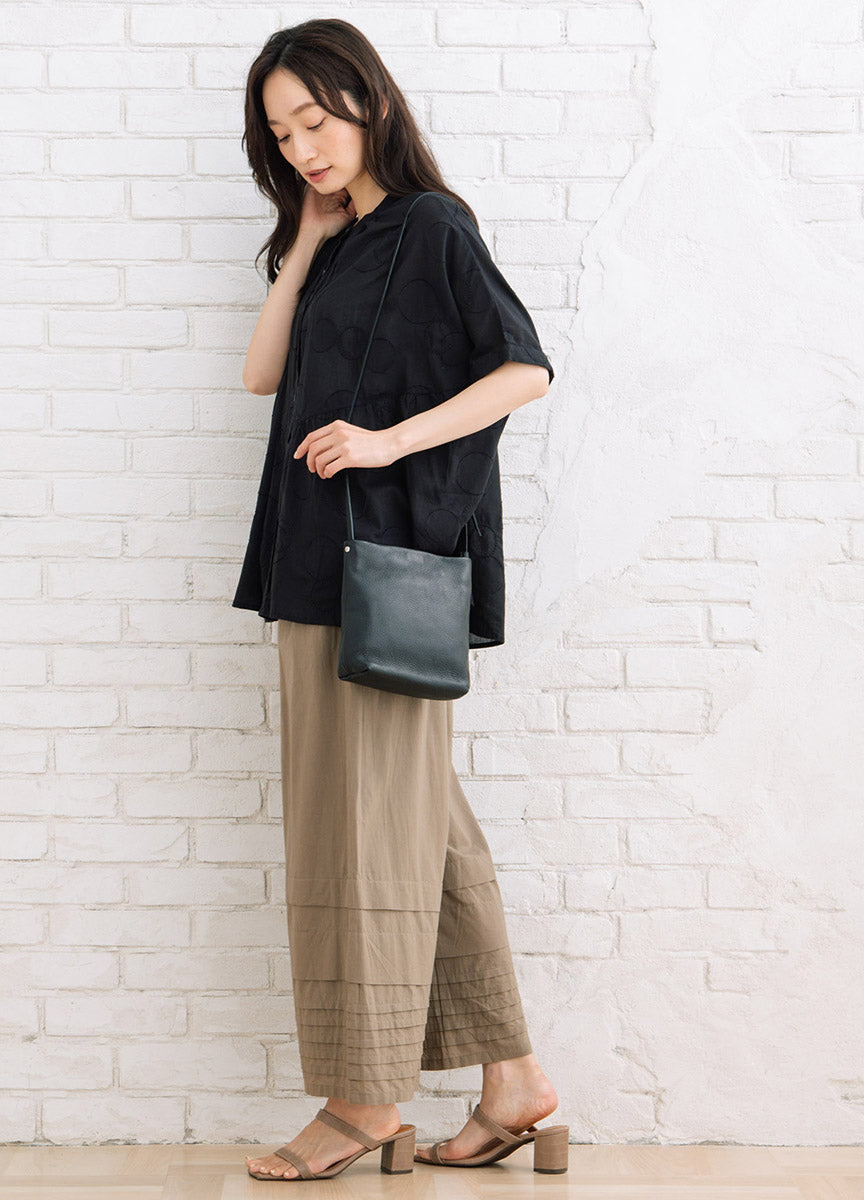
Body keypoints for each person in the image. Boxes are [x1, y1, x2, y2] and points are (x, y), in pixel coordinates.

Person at [231, 18, 568, 1182]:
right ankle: (515, 1083)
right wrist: (303, 242)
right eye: (282, 136)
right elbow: (261, 374)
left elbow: (522, 368)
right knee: (420, 825)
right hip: (315, 564)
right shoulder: (337, 240)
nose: (303, 149)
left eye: (314, 121)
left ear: (367, 100)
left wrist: (385, 442)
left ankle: (366, 1098)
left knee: (364, 830)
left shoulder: (432, 225)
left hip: (383, 572)